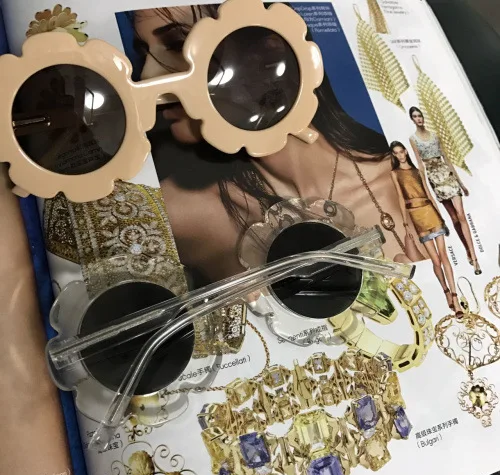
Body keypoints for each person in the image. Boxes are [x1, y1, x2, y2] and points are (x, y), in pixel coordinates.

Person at [129, 6, 427, 284]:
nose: (146, 77)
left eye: (179, 45)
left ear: (268, 52)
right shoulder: (180, 212)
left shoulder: (404, 182)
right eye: (144, 54)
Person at [390, 141, 462, 316]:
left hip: (430, 211)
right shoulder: (395, 173)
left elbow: (429, 194)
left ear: (406, 151)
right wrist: (405, 222)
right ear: (394, 155)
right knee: (436, 260)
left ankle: (455, 297)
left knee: (444, 256)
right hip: (416, 216)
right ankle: (445, 291)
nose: (400, 155)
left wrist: (441, 216)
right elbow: (400, 198)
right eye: (396, 153)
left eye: (401, 151)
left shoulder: (417, 171)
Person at [409, 106, 481, 275]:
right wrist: (425, 188)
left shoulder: (435, 135)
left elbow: (446, 159)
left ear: (423, 117)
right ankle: (467, 250)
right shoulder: (413, 139)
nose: (419, 119)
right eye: (415, 116)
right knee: (454, 219)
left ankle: (475, 258)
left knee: (461, 216)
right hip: (434, 179)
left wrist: (461, 183)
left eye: (420, 115)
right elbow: (420, 165)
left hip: (447, 175)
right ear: (412, 119)